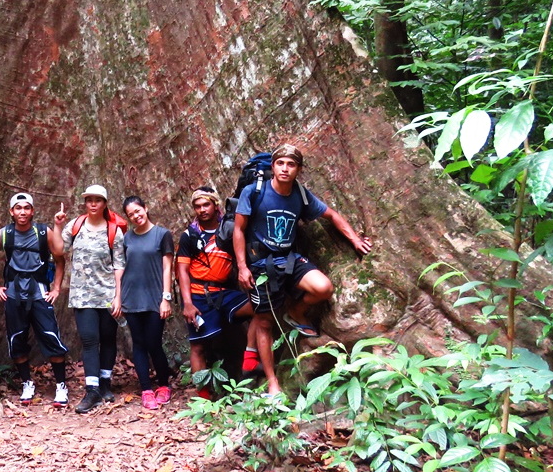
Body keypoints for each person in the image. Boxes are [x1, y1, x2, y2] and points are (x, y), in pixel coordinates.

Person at [232, 144, 373, 395]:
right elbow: (238, 230)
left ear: (298, 169)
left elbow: (331, 215)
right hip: (260, 265)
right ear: (273, 166)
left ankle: (296, 311)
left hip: (289, 259)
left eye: (291, 164)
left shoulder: (301, 195)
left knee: (324, 288)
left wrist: (354, 240)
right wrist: (242, 267)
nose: (285, 169)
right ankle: (273, 383)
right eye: (280, 163)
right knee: (264, 322)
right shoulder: (255, 192)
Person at [0, 192, 70, 407]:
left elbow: (59, 256)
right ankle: (27, 383)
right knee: (17, 339)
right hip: (14, 294)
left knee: (50, 336)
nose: (23, 212)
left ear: (32, 211)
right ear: (11, 212)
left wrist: (57, 288)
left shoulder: (43, 232)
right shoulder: (4, 234)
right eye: (18, 208)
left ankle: (61, 386)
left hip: (40, 293)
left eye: (26, 208)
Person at [51, 184, 126, 415]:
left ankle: (105, 383)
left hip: (107, 295)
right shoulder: (76, 225)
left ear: (104, 203)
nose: (93, 204)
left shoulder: (115, 231)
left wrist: (118, 297)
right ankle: (91, 389)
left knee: (108, 338)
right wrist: (58, 225)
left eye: (98, 200)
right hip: (82, 295)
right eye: (89, 200)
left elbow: (119, 265)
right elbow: (58, 250)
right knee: (90, 340)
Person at [175, 185, 251, 399]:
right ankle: (204, 397)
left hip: (225, 292)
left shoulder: (228, 230)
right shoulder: (190, 235)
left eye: (206, 204)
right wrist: (187, 303)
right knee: (198, 346)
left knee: (259, 308)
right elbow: (182, 270)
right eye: (197, 206)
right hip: (199, 294)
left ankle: (252, 358)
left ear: (215, 204)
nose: (202, 209)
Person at [120, 196, 174, 410]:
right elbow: (121, 268)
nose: (136, 216)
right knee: (139, 344)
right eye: (131, 214)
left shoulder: (162, 235)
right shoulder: (126, 239)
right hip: (131, 297)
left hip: (155, 298)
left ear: (146, 208)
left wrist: (166, 298)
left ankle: (163, 385)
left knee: (154, 342)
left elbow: (167, 268)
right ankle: (145, 389)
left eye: (138, 211)